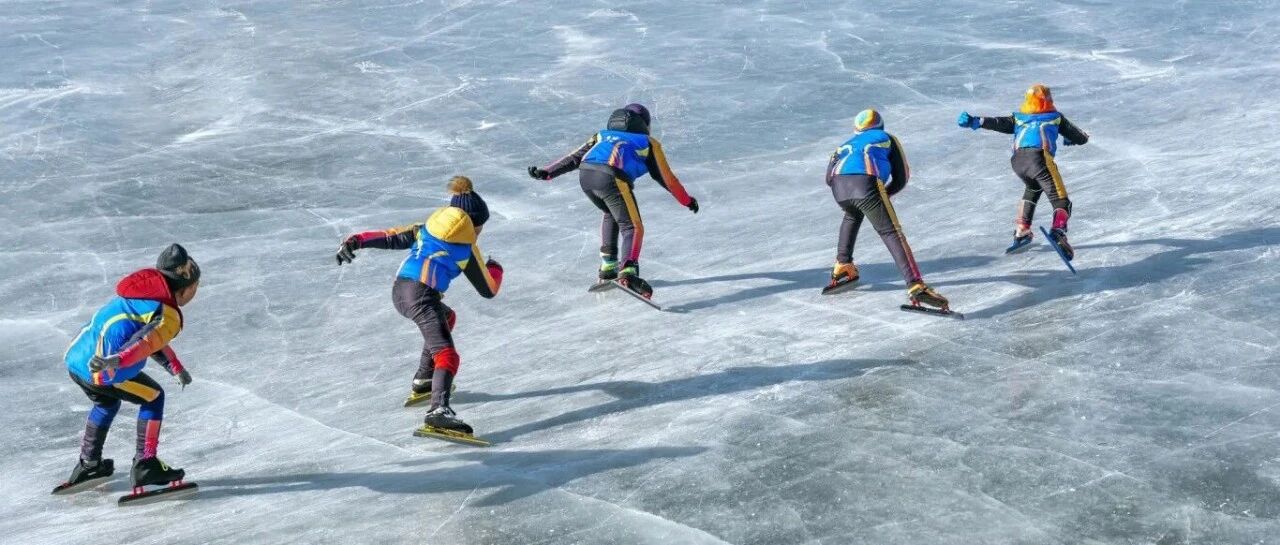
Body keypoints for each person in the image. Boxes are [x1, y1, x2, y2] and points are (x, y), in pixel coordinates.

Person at [335, 176, 503, 435]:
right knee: (447, 354)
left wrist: (355, 240)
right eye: (479, 227)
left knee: (447, 317)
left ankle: (425, 379)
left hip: (401, 291)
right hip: (423, 295)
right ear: (472, 224)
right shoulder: (467, 250)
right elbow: (488, 290)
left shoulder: (424, 230)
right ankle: (438, 412)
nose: (479, 232)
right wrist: (495, 268)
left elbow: (389, 237)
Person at [59, 243, 200, 493]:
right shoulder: (167, 315)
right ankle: (146, 465)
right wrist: (116, 360)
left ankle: (89, 463)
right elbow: (144, 343)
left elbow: (150, 338)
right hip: (104, 369)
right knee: (154, 397)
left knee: (106, 403)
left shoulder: (143, 295)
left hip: (77, 359)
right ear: (184, 289)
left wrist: (175, 367)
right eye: (195, 287)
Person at [527, 103, 698, 298]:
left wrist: (547, 172)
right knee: (632, 227)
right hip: (611, 177)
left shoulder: (602, 136)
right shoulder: (648, 142)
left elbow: (574, 158)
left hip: (586, 177)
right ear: (645, 124)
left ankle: (608, 266)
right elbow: (668, 179)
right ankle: (628, 271)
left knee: (611, 212)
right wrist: (686, 200)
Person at [826, 109, 949, 310]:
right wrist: (883, 195)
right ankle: (916, 285)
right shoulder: (886, 138)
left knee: (852, 214)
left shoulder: (844, 145)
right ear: (880, 125)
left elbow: (828, 178)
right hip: (865, 184)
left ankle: (843, 265)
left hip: (839, 188)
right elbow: (901, 177)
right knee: (891, 232)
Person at [957, 84, 1090, 258]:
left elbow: (998, 123)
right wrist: (1072, 138)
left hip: (1018, 161)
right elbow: (1081, 137)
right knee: (1061, 201)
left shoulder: (1019, 118)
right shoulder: (1055, 118)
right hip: (1039, 159)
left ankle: (1022, 231)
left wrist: (975, 121)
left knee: (1033, 188)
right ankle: (1058, 231)